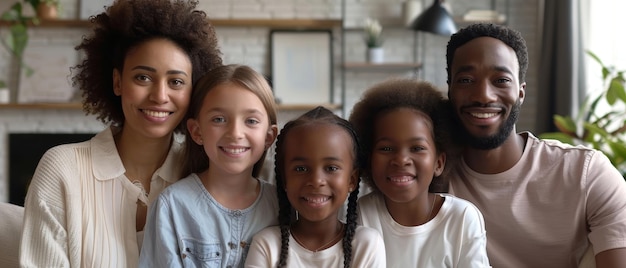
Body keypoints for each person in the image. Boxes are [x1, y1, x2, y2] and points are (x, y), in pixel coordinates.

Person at [19, 0, 222, 267]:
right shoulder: (62, 170)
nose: (160, 96)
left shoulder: (206, 174)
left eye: (176, 82)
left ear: (192, 92)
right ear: (117, 82)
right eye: (143, 78)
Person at [445, 22, 626, 267]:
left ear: (521, 92)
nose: (483, 95)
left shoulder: (585, 173)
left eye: (500, 80)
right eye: (466, 80)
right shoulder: (431, 177)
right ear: (450, 91)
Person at [139, 64, 279, 267]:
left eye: (251, 121)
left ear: (269, 137)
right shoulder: (172, 206)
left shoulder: (281, 206)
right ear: (197, 131)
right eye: (219, 119)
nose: (235, 133)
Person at [348, 78, 490, 267]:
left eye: (417, 148)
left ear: (438, 163)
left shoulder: (462, 218)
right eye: (386, 149)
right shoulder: (363, 212)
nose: (401, 160)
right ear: (369, 159)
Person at [244, 106, 386, 268]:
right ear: (284, 179)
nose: (316, 180)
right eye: (301, 169)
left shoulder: (366, 244)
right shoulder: (267, 245)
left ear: (351, 180)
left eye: (331, 168)